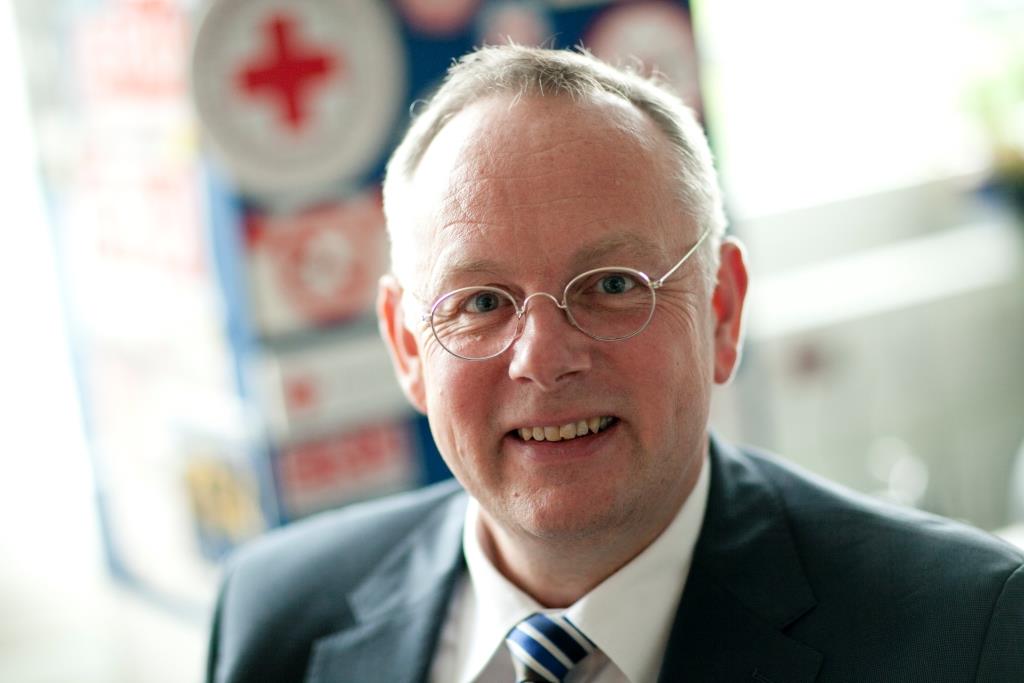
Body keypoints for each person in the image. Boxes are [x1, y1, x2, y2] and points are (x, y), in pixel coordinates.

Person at [206, 46, 1023, 683]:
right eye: (481, 301)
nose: (544, 358)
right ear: (407, 347)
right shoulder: (273, 617)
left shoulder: (967, 631)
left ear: (721, 310)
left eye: (611, 286)